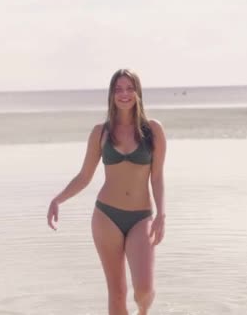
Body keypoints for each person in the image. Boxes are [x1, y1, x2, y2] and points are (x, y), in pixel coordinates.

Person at [47, 69, 167, 315]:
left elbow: (157, 177)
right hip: (106, 217)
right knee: (117, 292)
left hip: (141, 217)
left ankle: (143, 312)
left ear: (138, 93)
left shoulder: (153, 131)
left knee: (143, 290)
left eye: (129, 88)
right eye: (118, 89)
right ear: (112, 95)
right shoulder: (100, 133)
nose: (124, 94)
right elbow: (84, 177)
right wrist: (58, 199)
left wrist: (161, 214)